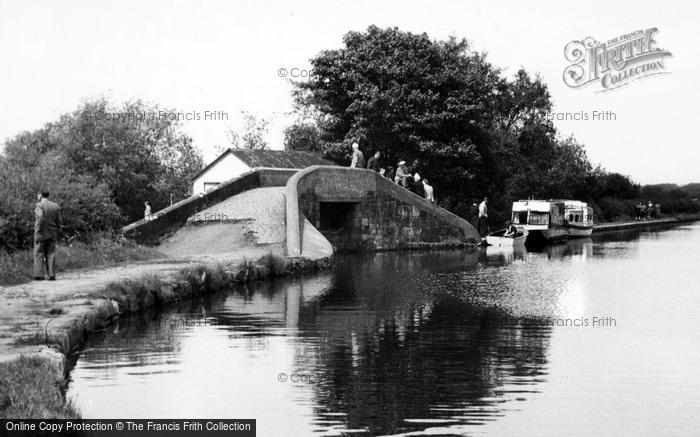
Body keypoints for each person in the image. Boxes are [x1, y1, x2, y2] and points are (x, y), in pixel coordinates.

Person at [34, 190, 63, 281]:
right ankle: (51, 274)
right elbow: (59, 221)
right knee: (51, 253)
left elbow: (40, 219)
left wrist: (38, 232)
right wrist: (58, 229)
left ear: (41, 195)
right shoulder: (55, 206)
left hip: (41, 233)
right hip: (52, 233)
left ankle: (39, 275)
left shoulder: (39, 205)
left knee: (39, 253)